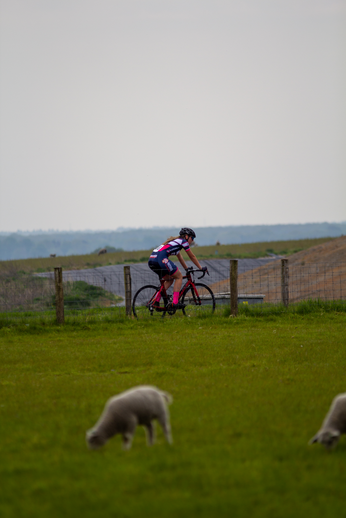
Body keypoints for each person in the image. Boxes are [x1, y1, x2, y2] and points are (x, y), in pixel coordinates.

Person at [148, 227, 208, 310]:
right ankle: (175, 303)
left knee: (170, 279)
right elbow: (192, 256)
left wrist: (186, 269)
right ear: (186, 236)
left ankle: (156, 301)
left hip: (152, 260)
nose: (193, 241)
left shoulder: (175, 242)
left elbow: (180, 257)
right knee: (179, 276)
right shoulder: (183, 242)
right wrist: (201, 268)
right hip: (160, 259)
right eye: (192, 238)